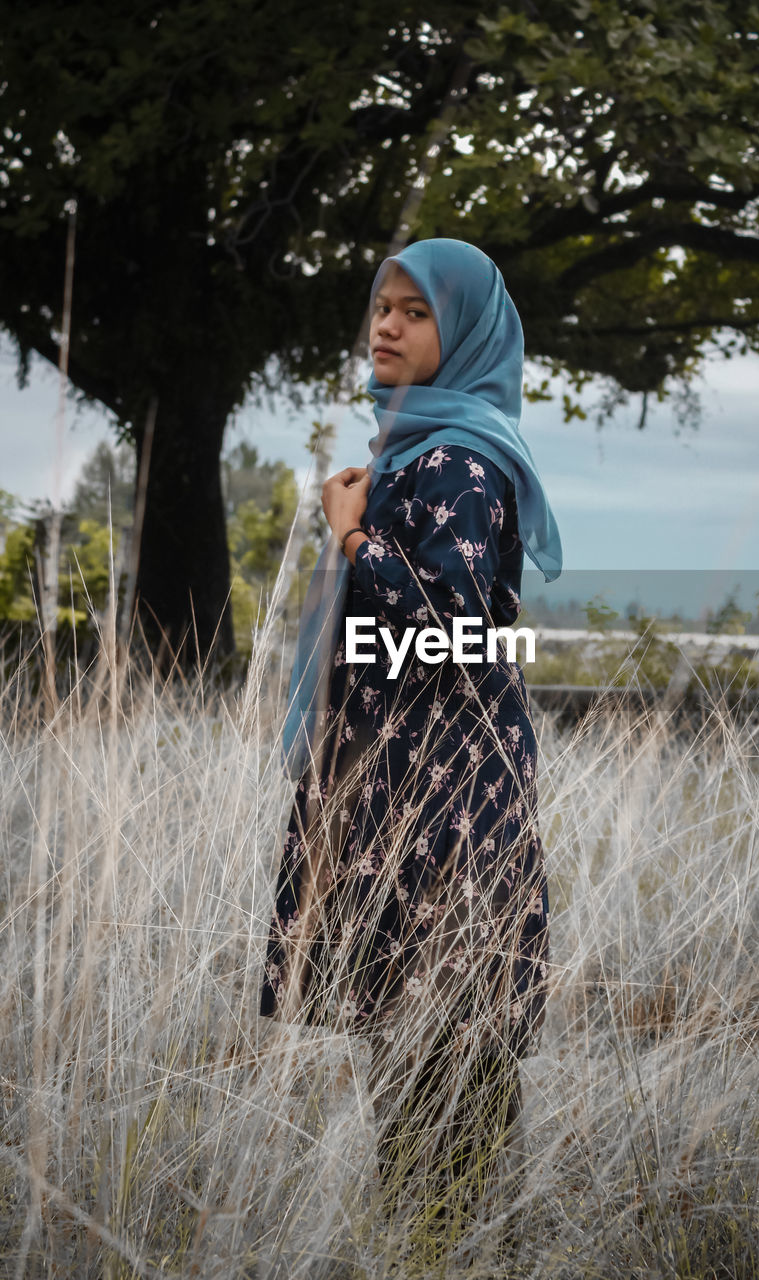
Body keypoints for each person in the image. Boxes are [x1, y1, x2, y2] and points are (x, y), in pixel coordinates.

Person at [259, 238, 562, 1232]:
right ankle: (439, 1240)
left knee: (449, 1037)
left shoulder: (460, 458)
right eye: (381, 306)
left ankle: (453, 1242)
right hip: (406, 778)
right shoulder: (416, 450)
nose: (385, 325)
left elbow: (452, 631)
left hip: (447, 789)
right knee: (416, 1040)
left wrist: (350, 534)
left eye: (414, 312)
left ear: (463, 329)